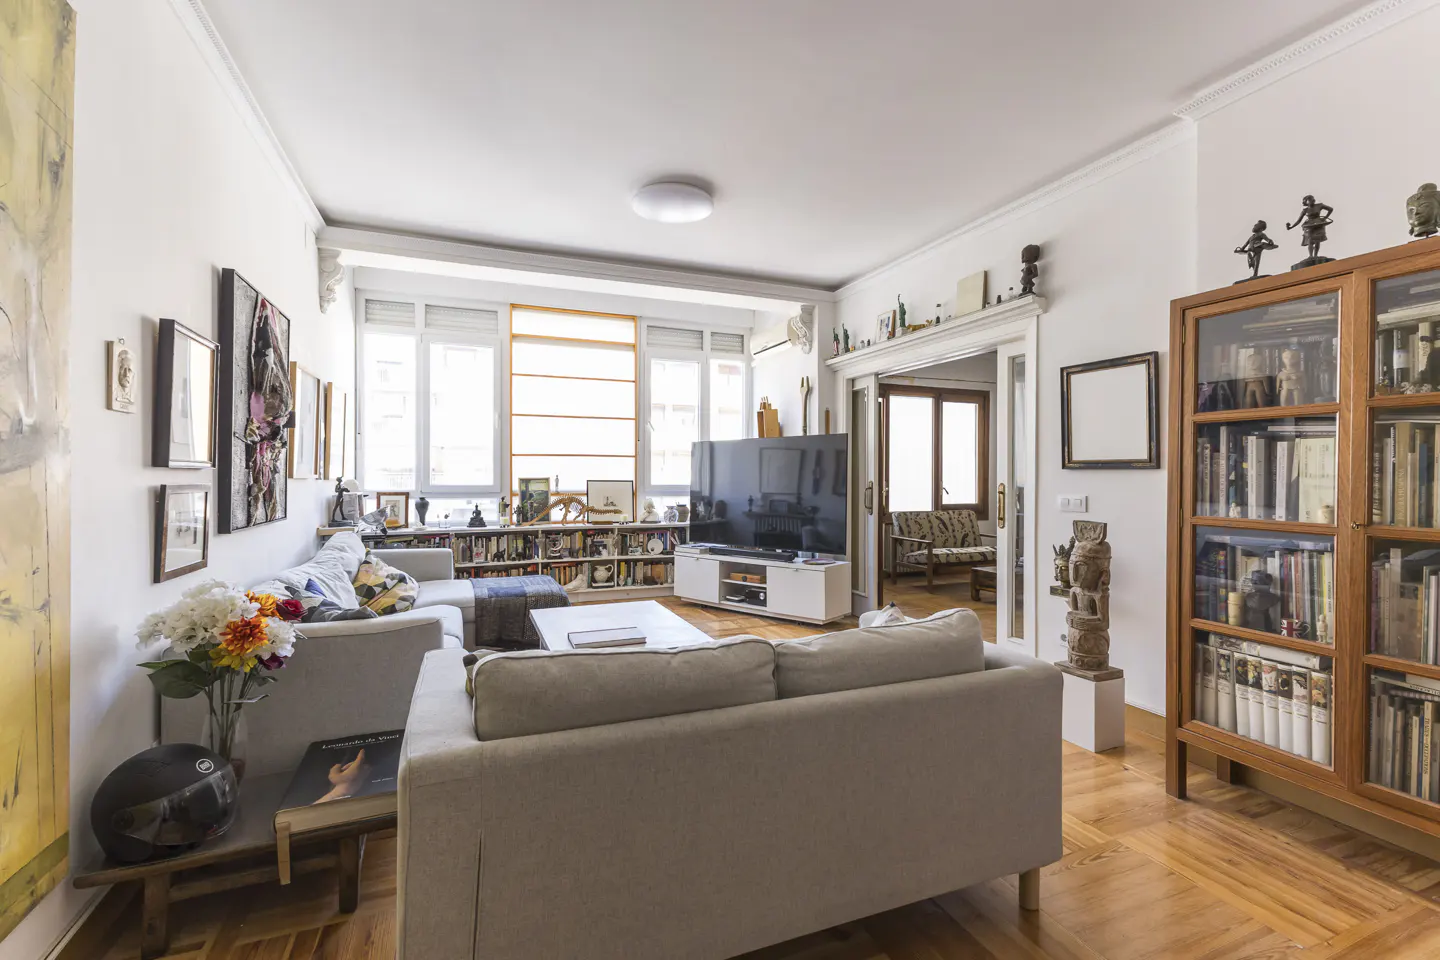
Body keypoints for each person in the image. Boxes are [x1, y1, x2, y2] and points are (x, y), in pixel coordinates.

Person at [1286, 195, 1335, 263]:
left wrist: (1325, 217)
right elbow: (1298, 221)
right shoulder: (1305, 210)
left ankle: (1315, 255)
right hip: (1309, 225)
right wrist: (1291, 227)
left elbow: (1330, 209)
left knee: (1318, 240)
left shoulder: (1319, 205)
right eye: (1310, 199)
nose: (1313, 200)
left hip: (1319, 223)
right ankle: (1311, 256)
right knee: (1310, 240)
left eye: (1313, 199)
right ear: (1306, 202)